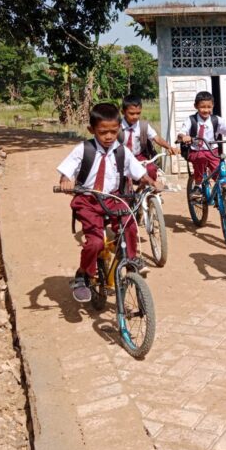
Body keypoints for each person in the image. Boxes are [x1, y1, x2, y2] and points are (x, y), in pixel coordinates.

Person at [57, 102, 157, 303]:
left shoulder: (122, 151)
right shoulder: (83, 149)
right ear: (91, 130)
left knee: (129, 224)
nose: (109, 136)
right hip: (88, 200)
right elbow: (66, 172)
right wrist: (65, 181)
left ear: (119, 128)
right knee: (94, 242)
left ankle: (130, 259)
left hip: (113, 198)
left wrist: (151, 181)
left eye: (113, 131)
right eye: (103, 132)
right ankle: (83, 275)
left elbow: (139, 172)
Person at [177, 91, 226, 192]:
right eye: (202, 107)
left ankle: (223, 190)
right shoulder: (191, 120)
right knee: (200, 158)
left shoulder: (215, 120)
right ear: (196, 106)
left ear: (213, 106)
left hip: (212, 151)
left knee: (219, 170)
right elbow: (181, 133)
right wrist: (184, 137)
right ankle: (198, 185)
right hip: (196, 151)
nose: (206, 110)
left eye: (209, 107)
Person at [119, 94, 179, 182]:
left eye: (138, 113)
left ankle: (148, 189)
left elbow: (157, 138)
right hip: (122, 157)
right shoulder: (117, 126)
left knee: (151, 170)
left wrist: (169, 147)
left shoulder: (143, 126)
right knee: (118, 176)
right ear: (123, 112)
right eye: (131, 113)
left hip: (139, 156)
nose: (135, 116)